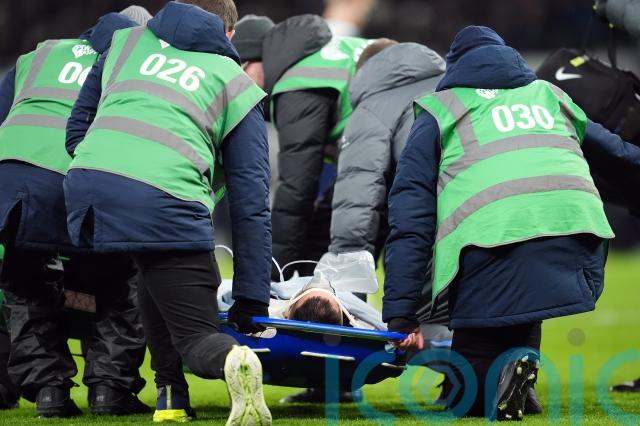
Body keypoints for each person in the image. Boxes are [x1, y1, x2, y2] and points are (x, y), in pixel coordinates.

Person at [383, 25, 640, 420]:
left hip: (490, 237)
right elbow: (618, 153)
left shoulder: (441, 108)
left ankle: (491, 387)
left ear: (455, 66)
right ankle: (520, 380)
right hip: (577, 231)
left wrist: (401, 313)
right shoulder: (549, 94)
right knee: (524, 299)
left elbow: (410, 215)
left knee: (468, 381)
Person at [64, 1, 273, 424]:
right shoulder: (234, 82)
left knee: (153, 268)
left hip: (89, 190)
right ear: (229, 34)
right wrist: (252, 297)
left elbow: (76, 132)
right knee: (197, 336)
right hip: (167, 200)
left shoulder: (124, 45)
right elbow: (251, 201)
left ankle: (171, 397)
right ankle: (233, 358)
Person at [0, 7, 153, 417]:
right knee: (115, 284)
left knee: (26, 285)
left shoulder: (39, 55)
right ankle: (109, 391)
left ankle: (49, 392)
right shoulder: (135, 63)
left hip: (11, 184)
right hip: (77, 181)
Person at [233, 14, 373, 280]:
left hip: (400, 147)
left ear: (254, 60)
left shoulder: (297, 81)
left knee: (337, 253)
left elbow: (297, 189)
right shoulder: (317, 54)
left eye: (240, 75)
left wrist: (268, 275)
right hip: (418, 130)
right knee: (324, 244)